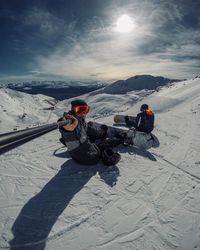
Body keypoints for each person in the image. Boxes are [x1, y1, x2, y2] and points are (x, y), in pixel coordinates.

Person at [58, 99, 122, 166]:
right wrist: (64, 124)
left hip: (78, 153)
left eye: (85, 110)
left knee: (89, 127)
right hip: (89, 157)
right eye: (79, 109)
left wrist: (100, 133)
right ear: (73, 110)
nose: (83, 112)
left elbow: (87, 129)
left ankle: (101, 133)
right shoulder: (71, 122)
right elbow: (67, 129)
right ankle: (120, 138)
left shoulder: (80, 119)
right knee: (103, 145)